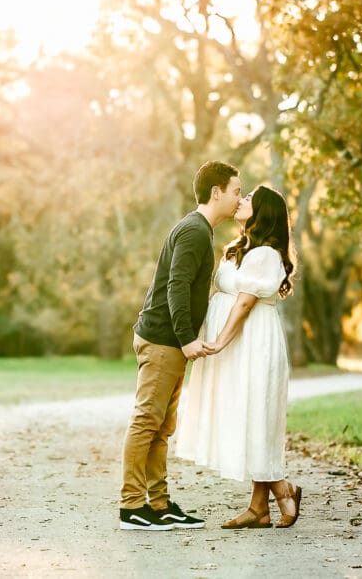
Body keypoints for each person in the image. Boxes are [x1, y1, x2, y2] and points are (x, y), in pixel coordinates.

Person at [119, 161, 242, 531]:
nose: (239, 198)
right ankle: (131, 507)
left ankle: (158, 504)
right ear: (216, 192)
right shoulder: (193, 232)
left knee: (160, 427)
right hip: (163, 340)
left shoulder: (199, 231)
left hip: (168, 343)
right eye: (236, 190)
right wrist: (187, 338)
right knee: (146, 422)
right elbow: (176, 286)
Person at [176, 184, 302, 529]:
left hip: (252, 341)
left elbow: (245, 303)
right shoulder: (245, 247)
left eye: (249, 199)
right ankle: (260, 506)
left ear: (264, 212)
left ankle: (280, 488)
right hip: (241, 342)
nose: (241, 200)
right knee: (248, 415)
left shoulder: (265, 254)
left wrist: (218, 341)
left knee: (256, 414)